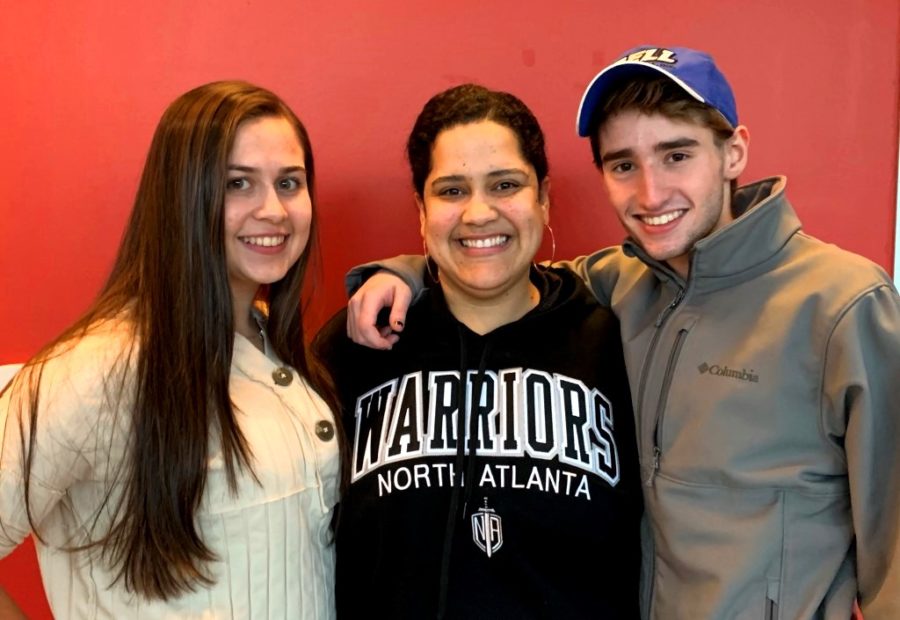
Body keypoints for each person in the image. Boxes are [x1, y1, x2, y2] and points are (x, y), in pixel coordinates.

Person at [344, 46, 900, 619]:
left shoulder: (843, 305)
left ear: (734, 151)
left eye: (676, 155)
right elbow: (494, 265)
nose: (651, 194)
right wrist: (404, 272)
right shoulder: (623, 284)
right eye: (623, 165)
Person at [0, 81, 341, 618]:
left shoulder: (277, 344)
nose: (273, 209)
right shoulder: (96, 369)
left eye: (289, 183)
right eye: (238, 183)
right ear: (184, 194)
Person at [314, 84, 642, 619]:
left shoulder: (613, 340)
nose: (479, 213)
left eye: (505, 184)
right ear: (421, 209)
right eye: (451, 191)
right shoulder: (360, 341)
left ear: (543, 197)